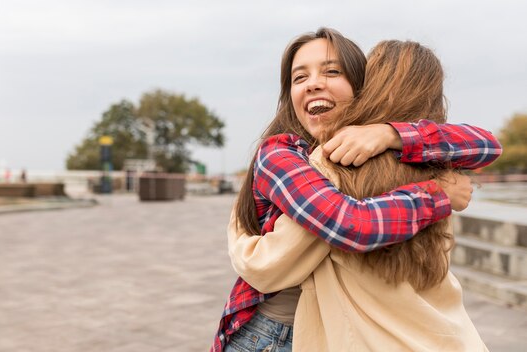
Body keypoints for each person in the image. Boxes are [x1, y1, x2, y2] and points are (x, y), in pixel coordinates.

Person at [212, 28, 501, 352]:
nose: (313, 83)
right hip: (269, 335)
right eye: (299, 77)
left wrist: (391, 134)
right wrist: (440, 194)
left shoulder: (379, 155)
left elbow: (488, 145)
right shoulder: (284, 154)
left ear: (362, 86)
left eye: (331, 71)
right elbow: (351, 224)